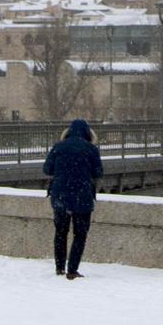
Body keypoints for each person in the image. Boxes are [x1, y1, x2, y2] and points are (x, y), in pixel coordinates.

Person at [41, 118, 103, 280]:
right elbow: (98, 173)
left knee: (60, 232)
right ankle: (72, 270)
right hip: (82, 197)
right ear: (88, 134)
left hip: (60, 196)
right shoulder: (91, 149)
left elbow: (47, 169)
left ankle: (60, 267)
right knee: (80, 234)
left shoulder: (58, 147)